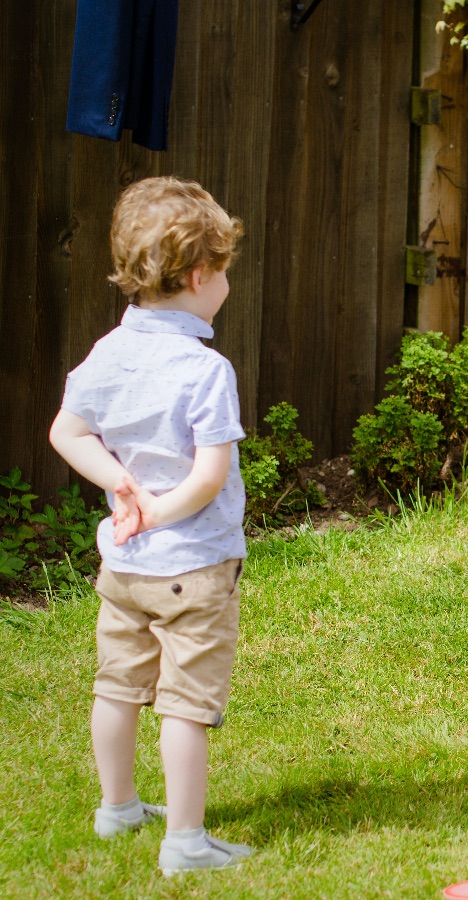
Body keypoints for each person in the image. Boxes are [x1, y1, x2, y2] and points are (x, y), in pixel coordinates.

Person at [48, 176, 255, 875]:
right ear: (199, 275)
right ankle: (188, 843)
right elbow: (209, 476)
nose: (226, 283)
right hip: (192, 567)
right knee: (185, 704)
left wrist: (122, 486)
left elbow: (67, 432)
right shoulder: (205, 368)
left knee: (117, 685)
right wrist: (161, 508)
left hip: (126, 565)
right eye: (223, 271)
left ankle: (118, 810)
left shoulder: (110, 352)